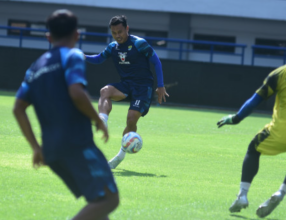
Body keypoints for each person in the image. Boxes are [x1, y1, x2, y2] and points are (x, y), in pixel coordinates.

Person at [13, 9, 119, 220]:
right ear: (77, 35)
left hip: (51, 151)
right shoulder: (72, 56)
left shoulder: (35, 67)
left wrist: (36, 147)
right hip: (76, 144)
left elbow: (18, 108)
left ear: (48, 37)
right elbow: (76, 93)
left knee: (97, 201)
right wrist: (97, 119)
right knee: (109, 200)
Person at [217, 31, 286, 218]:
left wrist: (236, 118)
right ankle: (281, 193)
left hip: (280, 132)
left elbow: (254, 101)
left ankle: (242, 196)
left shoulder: (280, 74)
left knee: (253, 149)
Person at [85, 15, 169, 169]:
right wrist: (82, 56)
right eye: (114, 32)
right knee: (105, 91)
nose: (118, 35)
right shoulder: (112, 47)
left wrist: (161, 85)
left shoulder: (139, 44)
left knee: (131, 119)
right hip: (126, 85)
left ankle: (120, 155)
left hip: (143, 88)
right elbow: (98, 59)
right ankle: (102, 120)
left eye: (120, 31)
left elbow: (156, 62)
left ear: (127, 29)